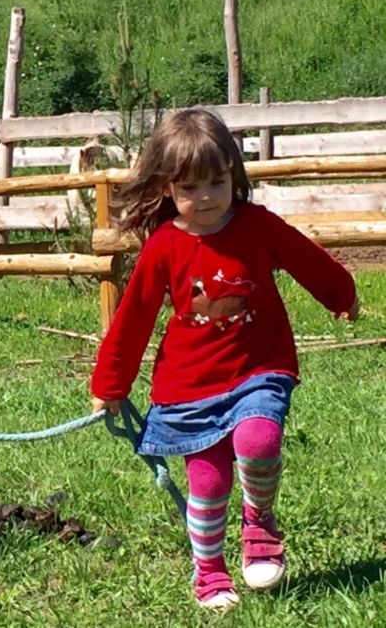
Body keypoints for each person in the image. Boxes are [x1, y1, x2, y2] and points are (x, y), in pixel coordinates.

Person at [90, 108, 359, 609]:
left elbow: (307, 259)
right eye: (191, 188)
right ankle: (210, 573)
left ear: (234, 174)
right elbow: (133, 319)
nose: (207, 197)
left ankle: (258, 524)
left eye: (217, 182)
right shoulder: (164, 247)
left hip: (259, 368)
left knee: (259, 438)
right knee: (208, 480)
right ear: (167, 188)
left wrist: (342, 295)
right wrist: (110, 385)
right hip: (190, 386)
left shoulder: (257, 225)